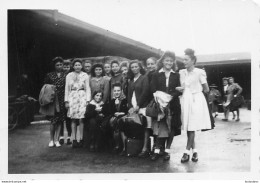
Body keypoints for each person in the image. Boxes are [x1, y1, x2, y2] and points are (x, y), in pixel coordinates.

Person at [177, 48, 211, 163]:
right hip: (186, 100)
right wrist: (181, 90)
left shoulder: (199, 72)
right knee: (188, 127)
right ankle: (195, 151)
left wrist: (196, 93)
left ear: (193, 60)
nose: (184, 62)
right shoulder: (182, 72)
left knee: (192, 126)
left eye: (186, 60)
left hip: (196, 100)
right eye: (183, 60)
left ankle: (186, 152)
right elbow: (183, 87)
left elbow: (206, 89)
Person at [150, 51, 182, 161]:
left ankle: (167, 151)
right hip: (160, 105)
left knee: (171, 127)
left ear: (173, 62)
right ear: (162, 61)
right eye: (167, 60)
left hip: (173, 105)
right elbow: (153, 89)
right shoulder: (156, 74)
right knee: (160, 127)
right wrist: (161, 100)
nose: (169, 62)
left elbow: (179, 90)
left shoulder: (176, 75)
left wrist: (169, 97)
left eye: (171, 61)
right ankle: (157, 150)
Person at [118, 60, 149, 156]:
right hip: (133, 107)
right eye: (132, 67)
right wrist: (130, 107)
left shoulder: (144, 78)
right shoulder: (131, 80)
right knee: (128, 124)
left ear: (140, 67)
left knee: (145, 126)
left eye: (136, 66)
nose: (134, 68)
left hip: (142, 106)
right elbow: (129, 95)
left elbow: (145, 93)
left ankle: (144, 148)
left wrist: (138, 106)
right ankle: (128, 148)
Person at [65, 58, 91, 148]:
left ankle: (82, 139)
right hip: (72, 97)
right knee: (73, 119)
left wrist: (88, 100)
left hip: (82, 97)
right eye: (75, 65)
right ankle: (74, 140)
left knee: (81, 119)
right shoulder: (69, 75)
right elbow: (66, 89)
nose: (77, 67)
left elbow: (88, 88)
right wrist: (66, 101)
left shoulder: (85, 75)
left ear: (81, 66)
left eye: (79, 65)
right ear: (73, 66)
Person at [138, 57, 158, 158]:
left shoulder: (158, 74)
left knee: (155, 127)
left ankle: (155, 148)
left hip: (156, 103)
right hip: (148, 104)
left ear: (156, 64)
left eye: (152, 64)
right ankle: (145, 148)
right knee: (147, 126)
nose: (150, 66)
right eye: (148, 64)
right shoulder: (146, 76)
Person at [44, 57, 66, 147]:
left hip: (62, 99)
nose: (59, 66)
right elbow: (45, 87)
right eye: (57, 65)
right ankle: (51, 140)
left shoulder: (66, 75)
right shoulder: (49, 75)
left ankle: (57, 139)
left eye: (61, 64)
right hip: (53, 100)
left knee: (60, 120)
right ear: (54, 66)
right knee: (53, 121)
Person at [107, 83, 128, 152]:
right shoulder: (112, 100)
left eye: (118, 90)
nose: (116, 92)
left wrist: (120, 113)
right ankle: (117, 145)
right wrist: (115, 112)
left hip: (123, 117)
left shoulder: (125, 100)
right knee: (114, 122)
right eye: (115, 91)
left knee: (120, 122)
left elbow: (125, 111)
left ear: (121, 91)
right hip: (115, 118)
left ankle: (124, 147)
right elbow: (111, 111)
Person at [59, 59, 72, 145]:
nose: (66, 68)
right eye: (65, 66)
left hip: (69, 98)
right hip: (60, 98)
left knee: (68, 118)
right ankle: (61, 136)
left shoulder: (71, 75)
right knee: (60, 118)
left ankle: (70, 136)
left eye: (68, 66)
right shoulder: (60, 75)